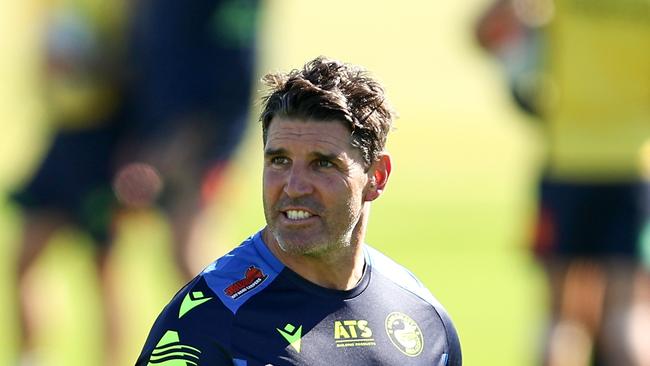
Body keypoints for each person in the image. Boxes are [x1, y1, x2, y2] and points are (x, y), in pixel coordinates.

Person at [135, 56, 462, 366]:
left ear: (377, 177)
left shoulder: (423, 318)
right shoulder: (206, 322)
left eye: (322, 164)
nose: (294, 186)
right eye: (279, 161)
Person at [475, 1, 650, 365]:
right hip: (635, 164)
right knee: (628, 312)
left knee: (559, 317)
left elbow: (485, 29)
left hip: (566, 159)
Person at [12, 0, 129, 364]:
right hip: (62, 139)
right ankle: (31, 356)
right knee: (22, 261)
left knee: (103, 270)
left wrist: (83, 64)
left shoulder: (119, 9)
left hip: (99, 145)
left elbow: (134, 66)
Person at [114, 0, 261, 279]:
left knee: (188, 247)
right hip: (158, 130)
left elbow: (236, 66)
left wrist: (193, 135)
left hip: (202, 136)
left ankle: (253, 320)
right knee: (182, 249)